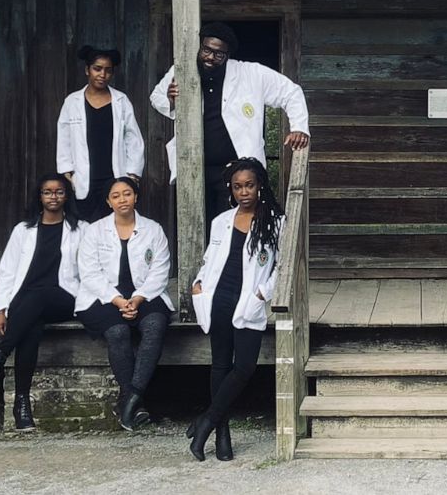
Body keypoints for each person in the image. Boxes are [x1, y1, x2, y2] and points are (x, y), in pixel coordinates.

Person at [152, 22, 309, 221]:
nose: (210, 57)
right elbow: (156, 97)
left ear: (228, 55)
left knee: (232, 225)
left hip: (234, 170)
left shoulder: (251, 73)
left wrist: (299, 129)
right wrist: (170, 100)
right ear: (200, 46)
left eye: (219, 54)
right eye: (207, 50)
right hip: (193, 166)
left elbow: (291, 92)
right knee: (193, 226)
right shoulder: (181, 70)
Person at [0, 174, 86, 432]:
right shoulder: (23, 230)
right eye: (47, 192)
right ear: (39, 197)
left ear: (67, 196)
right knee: (31, 326)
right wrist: (0, 308)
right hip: (28, 301)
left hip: (64, 297)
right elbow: (8, 271)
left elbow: (88, 271)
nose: (53, 196)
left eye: (59, 192)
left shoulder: (81, 229)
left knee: (39, 296)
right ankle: (22, 404)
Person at [189, 157, 285, 461]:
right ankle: (222, 434)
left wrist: (262, 293)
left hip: (248, 300)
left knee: (244, 367)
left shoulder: (274, 222)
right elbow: (209, 258)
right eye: (238, 187)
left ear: (260, 186)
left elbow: (281, 267)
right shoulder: (222, 220)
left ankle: (206, 421)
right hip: (219, 297)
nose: (244, 192)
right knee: (220, 365)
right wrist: (199, 283)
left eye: (250, 185)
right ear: (231, 189)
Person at [75, 177, 174, 432]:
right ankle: (136, 402)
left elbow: (160, 271)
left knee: (155, 324)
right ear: (109, 201)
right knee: (117, 332)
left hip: (144, 295)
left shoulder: (153, 229)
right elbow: (89, 273)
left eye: (127, 194)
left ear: (136, 197)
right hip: (102, 297)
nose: (122, 200)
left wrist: (138, 298)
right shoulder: (94, 231)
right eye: (116, 196)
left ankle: (130, 398)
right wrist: (118, 300)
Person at [57, 45, 145, 223]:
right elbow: (64, 137)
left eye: (108, 70)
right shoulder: (72, 102)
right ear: (87, 70)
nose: (102, 75)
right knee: (83, 226)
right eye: (97, 69)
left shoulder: (121, 101)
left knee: (113, 225)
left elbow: (133, 138)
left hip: (113, 174)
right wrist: (67, 171)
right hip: (83, 177)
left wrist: (133, 174)